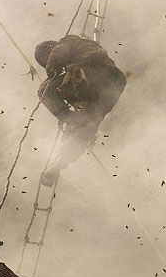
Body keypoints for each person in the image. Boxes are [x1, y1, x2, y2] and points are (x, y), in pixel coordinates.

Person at [34, 35, 127, 185]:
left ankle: (68, 117)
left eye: (45, 58)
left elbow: (58, 55)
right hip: (112, 86)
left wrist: (51, 71)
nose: (46, 62)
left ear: (50, 48)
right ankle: (60, 162)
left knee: (44, 90)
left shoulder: (67, 41)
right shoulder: (86, 45)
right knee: (86, 124)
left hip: (91, 77)